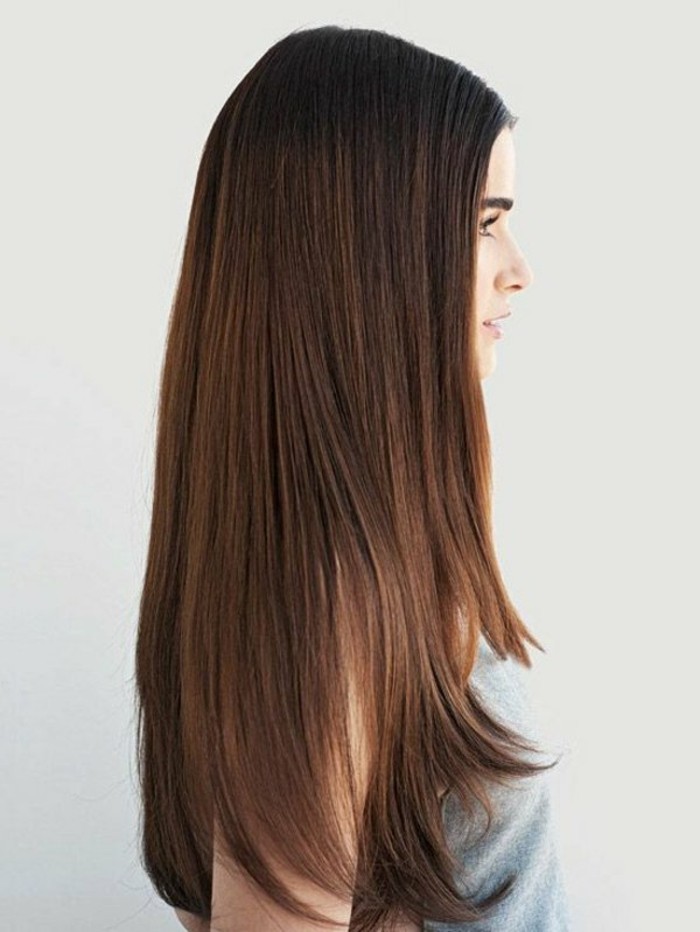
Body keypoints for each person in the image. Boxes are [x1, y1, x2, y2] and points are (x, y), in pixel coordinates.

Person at [134, 24, 571, 931]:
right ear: (370, 248)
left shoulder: (336, 571)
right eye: (484, 223)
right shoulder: (328, 602)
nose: (519, 272)